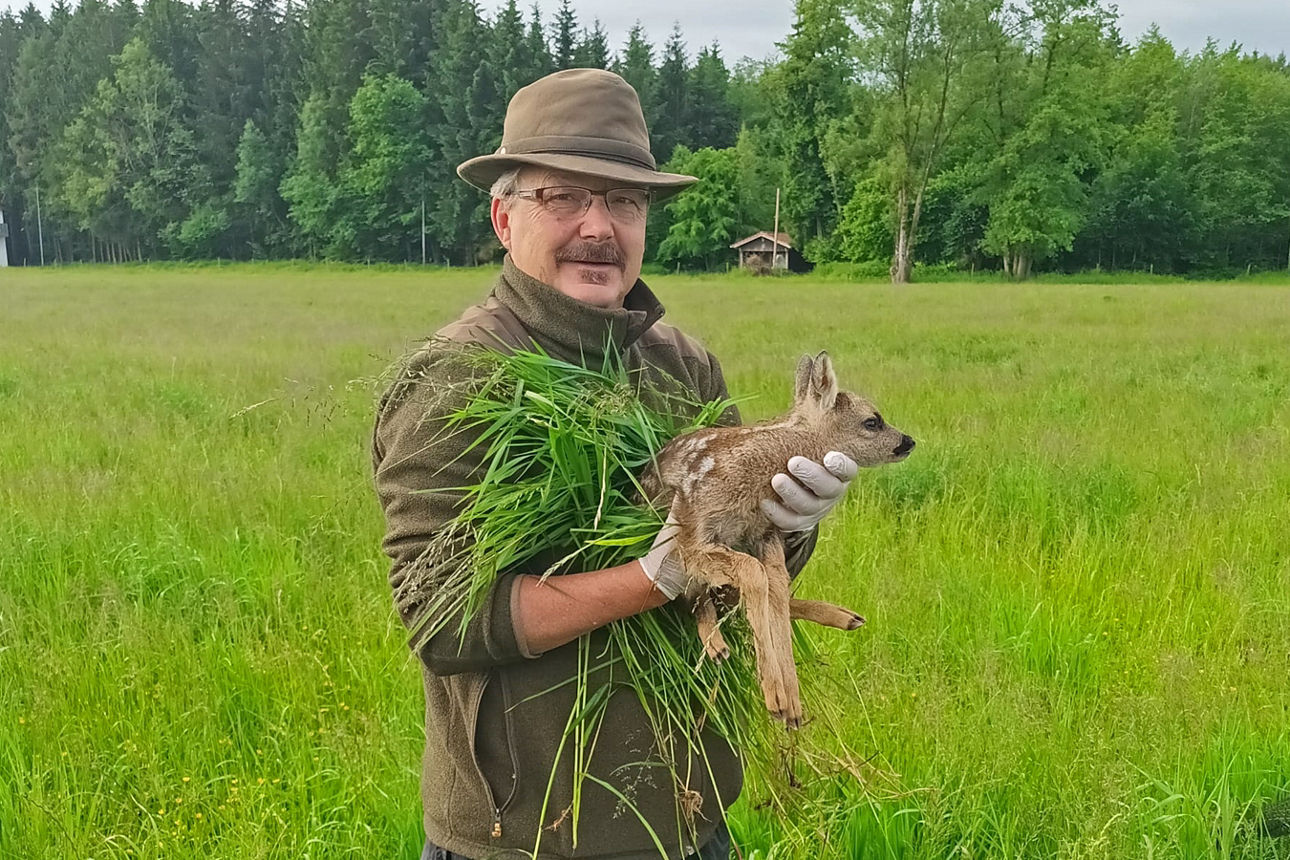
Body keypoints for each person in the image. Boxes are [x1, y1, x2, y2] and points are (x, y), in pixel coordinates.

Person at [372, 68, 858, 860]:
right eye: (564, 196)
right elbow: (444, 616)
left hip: (687, 818)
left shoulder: (683, 367)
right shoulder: (457, 379)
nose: (600, 226)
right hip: (525, 836)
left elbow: (740, 569)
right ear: (503, 216)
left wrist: (789, 524)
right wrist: (653, 577)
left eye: (625, 202)